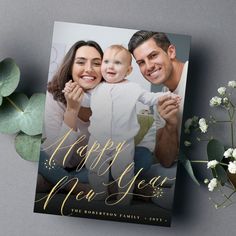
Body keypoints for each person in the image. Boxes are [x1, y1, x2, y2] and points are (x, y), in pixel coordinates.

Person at [64, 45, 178, 204]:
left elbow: (150, 98)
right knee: (95, 169)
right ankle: (99, 193)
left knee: (124, 171)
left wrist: (167, 96)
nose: (110, 66)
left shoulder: (133, 88)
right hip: (98, 141)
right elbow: (83, 100)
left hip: (123, 142)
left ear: (128, 70)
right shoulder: (96, 88)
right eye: (106, 62)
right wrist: (70, 91)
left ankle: (124, 196)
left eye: (117, 63)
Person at [128, 31, 189, 168]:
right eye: (141, 62)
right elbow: (165, 160)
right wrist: (170, 125)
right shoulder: (160, 100)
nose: (149, 66)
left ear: (171, 52)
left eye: (153, 55)